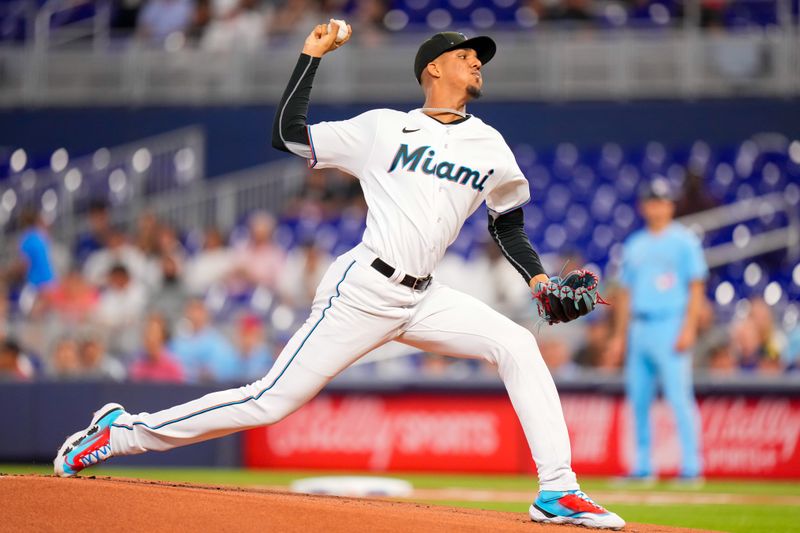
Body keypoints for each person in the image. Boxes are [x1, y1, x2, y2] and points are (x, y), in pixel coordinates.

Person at [54, 24, 623, 530]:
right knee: (268, 402)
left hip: (427, 296)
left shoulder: (490, 144)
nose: (477, 62)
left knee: (518, 344)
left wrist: (540, 283)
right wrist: (311, 55)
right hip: (363, 289)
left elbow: (509, 225)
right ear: (434, 67)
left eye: (480, 57)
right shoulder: (383, 129)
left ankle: (558, 491)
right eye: (466, 55)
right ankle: (120, 431)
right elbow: (289, 133)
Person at [607, 178, 708, 483]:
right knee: (638, 400)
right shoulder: (635, 244)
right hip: (639, 326)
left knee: (679, 397)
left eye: (662, 201)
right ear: (644, 206)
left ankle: (691, 466)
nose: (657, 207)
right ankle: (643, 466)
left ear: (671, 205)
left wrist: (688, 327)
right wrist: (620, 337)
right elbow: (624, 294)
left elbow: (696, 286)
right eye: (652, 201)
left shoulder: (684, 240)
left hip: (670, 322)